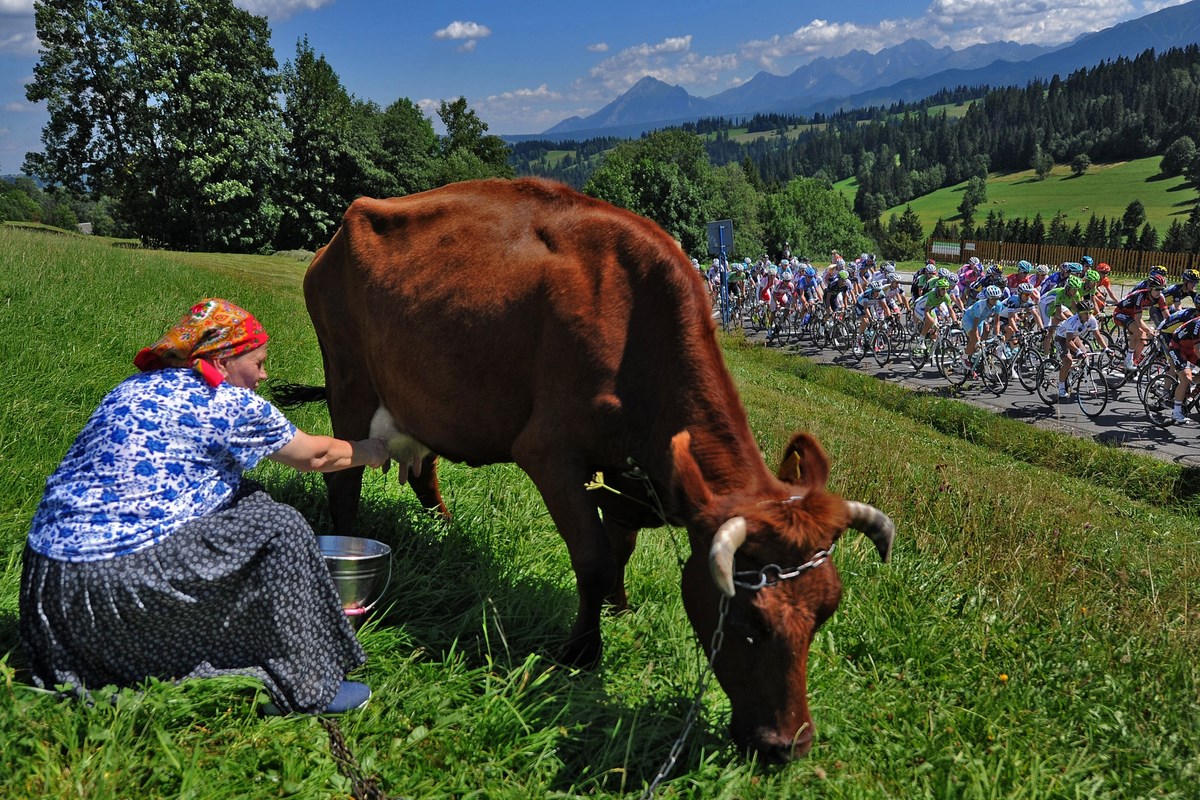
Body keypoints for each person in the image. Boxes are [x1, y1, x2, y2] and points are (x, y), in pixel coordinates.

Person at [19, 299, 391, 715]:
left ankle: (228, 630)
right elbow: (315, 457)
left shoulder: (134, 386)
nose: (264, 375)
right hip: (118, 588)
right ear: (224, 359)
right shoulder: (228, 402)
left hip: (51, 590)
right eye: (259, 362)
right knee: (280, 525)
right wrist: (371, 449)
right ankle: (306, 687)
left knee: (247, 499)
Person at [1054, 302, 1110, 399]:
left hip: (1074, 336)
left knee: (1085, 355)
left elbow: (1098, 336)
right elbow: (1068, 342)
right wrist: (1077, 351)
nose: (1088, 315)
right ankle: (1061, 387)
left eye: (1090, 312)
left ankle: (1070, 371)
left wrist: (1106, 348)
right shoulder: (1073, 321)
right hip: (1062, 338)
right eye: (1085, 313)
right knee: (1068, 361)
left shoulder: (1091, 319)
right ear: (1079, 313)